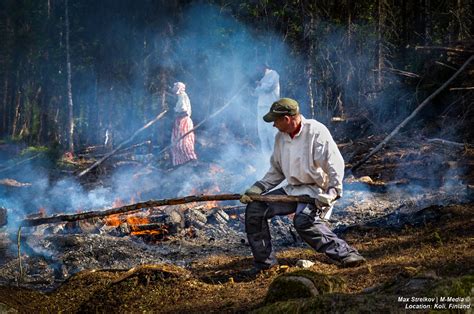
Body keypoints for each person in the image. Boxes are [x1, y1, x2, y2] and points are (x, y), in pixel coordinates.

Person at [240, 98, 365, 273]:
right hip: (293, 189)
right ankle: (265, 264)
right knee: (255, 210)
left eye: (275, 120)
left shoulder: (316, 131)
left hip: (317, 191)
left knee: (304, 222)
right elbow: (277, 170)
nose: (274, 125)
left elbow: (334, 164)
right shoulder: (280, 138)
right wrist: (258, 188)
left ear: (287, 118)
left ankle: (347, 254)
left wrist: (333, 191)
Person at [170, 82, 197, 167]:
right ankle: (181, 162)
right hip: (181, 122)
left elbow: (184, 111)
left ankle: (190, 159)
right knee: (179, 142)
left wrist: (177, 114)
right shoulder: (181, 96)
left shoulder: (182, 96)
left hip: (183, 122)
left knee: (183, 142)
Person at [255, 64, 280, 154]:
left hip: (270, 107)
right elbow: (256, 92)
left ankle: (276, 156)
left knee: (272, 133)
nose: (257, 69)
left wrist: (260, 84)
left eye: (258, 66)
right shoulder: (263, 78)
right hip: (261, 107)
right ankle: (265, 158)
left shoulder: (274, 74)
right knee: (262, 133)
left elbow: (268, 87)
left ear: (264, 66)